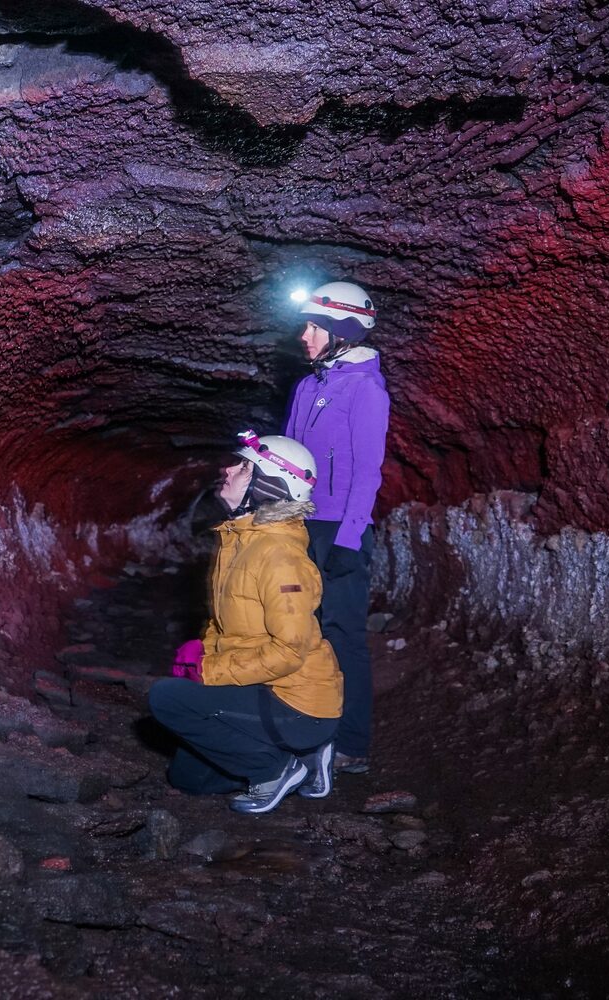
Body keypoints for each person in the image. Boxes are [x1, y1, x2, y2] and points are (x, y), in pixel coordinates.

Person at [149, 431, 342, 814]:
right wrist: (203, 649)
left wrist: (210, 670)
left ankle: (276, 768)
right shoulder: (239, 538)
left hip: (297, 701)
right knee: (188, 780)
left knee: (166, 698)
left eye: (242, 466)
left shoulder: (280, 556)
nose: (228, 469)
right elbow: (225, 621)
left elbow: (288, 651)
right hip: (261, 688)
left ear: (267, 485)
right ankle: (302, 758)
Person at [283, 280, 389, 775]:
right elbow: (289, 460)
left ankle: (352, 743)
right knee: (295, 629)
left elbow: (367, 472)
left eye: (314, 327)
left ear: (344, 330)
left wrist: (349, 540)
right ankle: (303, 728)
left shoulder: (365, 389)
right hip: (302, 525)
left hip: (339, 531)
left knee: (343, 635)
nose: (304, 336)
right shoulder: (308, 385)